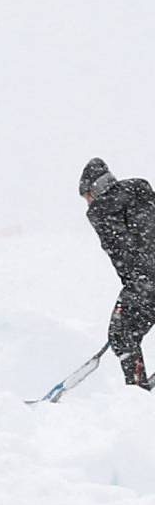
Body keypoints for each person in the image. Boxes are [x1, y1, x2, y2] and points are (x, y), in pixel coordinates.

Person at [79, 157, 155, 388]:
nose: (88, 204)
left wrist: (137, 282)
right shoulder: (142, 196)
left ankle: (137, 391)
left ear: (95, 190)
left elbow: (123, 252)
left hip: (146, 280)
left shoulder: (103, 209)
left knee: (122, 335)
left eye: (87, 198)